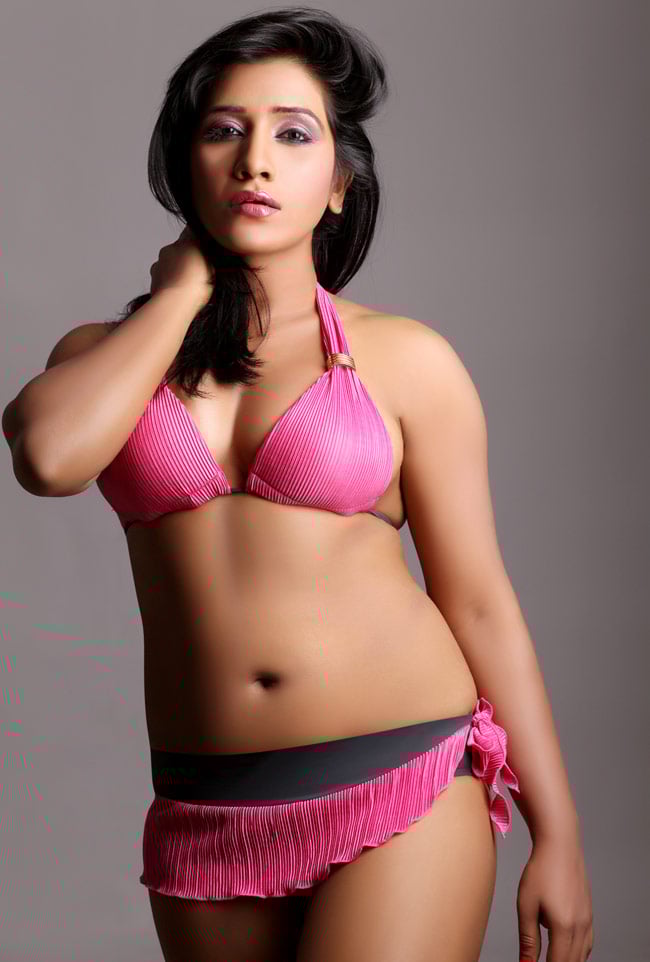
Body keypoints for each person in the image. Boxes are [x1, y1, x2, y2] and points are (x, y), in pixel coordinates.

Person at [3, 7, 593, 961]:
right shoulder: (104, 359)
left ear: (338, 184)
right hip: (205, 811)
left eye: (292, 134)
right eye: (223, 131)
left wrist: (557, 834)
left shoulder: (407, 359)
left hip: (401, 778)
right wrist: (181, 296)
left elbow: (480, 602)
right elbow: (47, 459)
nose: (255, 162)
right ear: (186, 163)